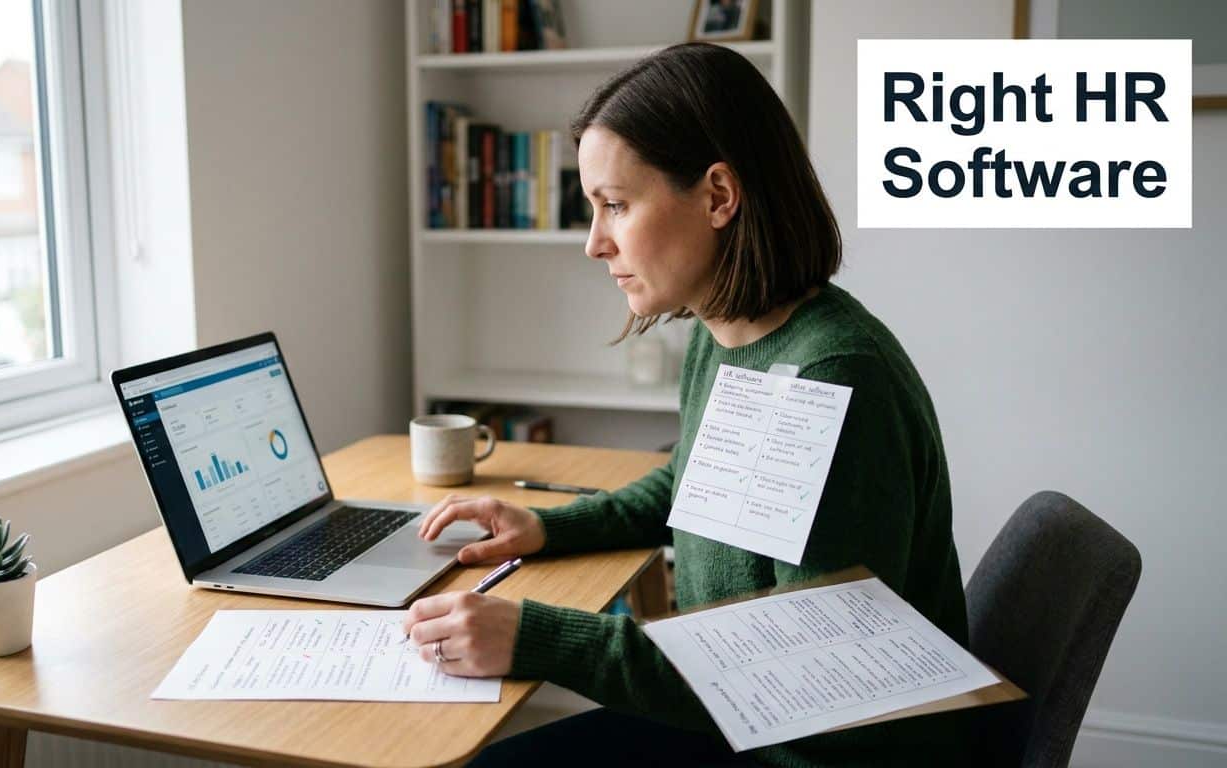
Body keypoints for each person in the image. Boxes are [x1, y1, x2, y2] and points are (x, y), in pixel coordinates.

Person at [403, 42, 973, 767]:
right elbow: (694, 483)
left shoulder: (833, 380)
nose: (593, 244)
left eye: (615, 205)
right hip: (743, 722)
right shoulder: (728, 332)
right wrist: (547, 529)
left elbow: (807, 670)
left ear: (718, 197)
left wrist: (536, 637)